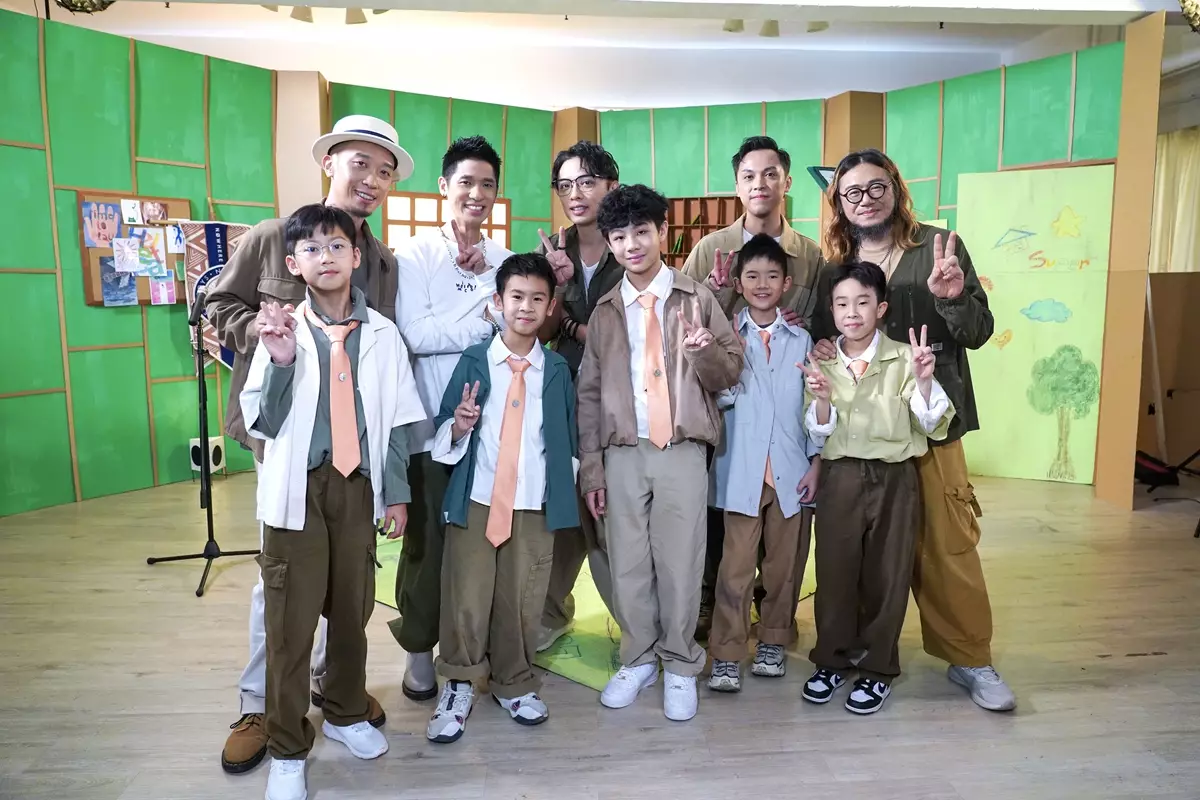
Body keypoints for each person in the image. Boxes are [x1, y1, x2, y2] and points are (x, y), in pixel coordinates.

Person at [205, 114, 413, 774]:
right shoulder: (275, 237)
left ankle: (335, 692)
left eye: (385, 171)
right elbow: (218, 305)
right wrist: (270, 339)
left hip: (355, 453)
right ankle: (261, 706)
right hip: (280, 428)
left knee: (348, 587)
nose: (371, 179)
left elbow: (378, 358)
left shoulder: (382, 262)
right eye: (360, 163)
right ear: (330, 163)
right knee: (283, 583)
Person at [809, 148, 1016, 713]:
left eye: (877, 186)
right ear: (839, 202)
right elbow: (825, 333)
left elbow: (978, 331)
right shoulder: (836, 264)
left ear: (896, 188)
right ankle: (856, 654)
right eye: (852, 192)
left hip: (932, 421)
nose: (866, 199)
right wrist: (822, 343)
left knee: (948, 545)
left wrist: (952, 299)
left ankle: (970, 658)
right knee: (861, 552)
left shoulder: (939, 247)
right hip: (863, 435)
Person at [240, 204, 426, 800]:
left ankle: (345, 711)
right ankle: (287, 746)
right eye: (312, 249)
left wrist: (396, 494)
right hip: (297, 490)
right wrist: (281, 360)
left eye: (337, 246)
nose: (327, 257)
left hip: (358, 486)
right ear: (293, 264)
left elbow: (396, 422)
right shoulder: (282, 330)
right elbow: (263, 423)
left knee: (352, 611)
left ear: (355, 256)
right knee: (291, 624)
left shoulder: (384, 334)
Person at [576, 184, 742, 722]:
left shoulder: (697, 298)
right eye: (619, 237)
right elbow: (589, 393)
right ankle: (639, 657)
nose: (632, 245)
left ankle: (680, 662)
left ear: (662, 232)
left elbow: (730, 372)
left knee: (681, 560)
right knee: (627, 560)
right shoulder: (606, 310)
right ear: (609, 243)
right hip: (622, 451)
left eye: (641, 232)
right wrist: (593, 467)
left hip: (682, 448)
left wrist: (705, 353)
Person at [424, 253, 578, 743]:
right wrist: (459, 425)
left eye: (537, 299)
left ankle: (514, 680)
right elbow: (444, 431)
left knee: (522, 595)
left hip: (532, 500)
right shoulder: (475, 360)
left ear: (550, 307)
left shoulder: (556, 370)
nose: (526, 307)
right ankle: (459, 683)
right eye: (516, 296)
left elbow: (567, 440)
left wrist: (563, 494)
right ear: (497, 301)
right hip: (477, 497)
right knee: (465, 593)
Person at [681, 135, 826, 639]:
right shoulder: (709, 249)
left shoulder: (810, 255)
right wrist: (721, 296)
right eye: (748, 176)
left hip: (786, 412)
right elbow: (684, 319)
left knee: (784, 533)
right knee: (724, 522)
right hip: (728, 411)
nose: (759, 184)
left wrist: (810, 335)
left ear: (786, 182)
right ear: (737, 185)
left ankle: (774, 622)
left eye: (770, 174)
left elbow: (823, 325)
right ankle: (716, 612)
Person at [800, 261, 954, 715]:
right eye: (842, 304)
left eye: (863, 302)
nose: (852, 313)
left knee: (888, 575)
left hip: (894, 479)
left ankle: (877, 668)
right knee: (834, 573)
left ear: (881, 308)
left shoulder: (907, 358)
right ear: (831, 310)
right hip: (840, 478)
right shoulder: (822, 361)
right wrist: (822, 400)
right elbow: (817, 432)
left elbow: (932, 423)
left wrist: (924, 381)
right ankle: (831, 660)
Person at [392, 136, 515, 702]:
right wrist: (486, 317)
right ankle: (419, 648)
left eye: (487, 184)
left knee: (480, 545)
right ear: (444, 186)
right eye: (466, 182)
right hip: (428, 427)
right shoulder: (415, 254)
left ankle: (469, 648)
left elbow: (519, 325)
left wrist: (490, 298)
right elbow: (416, 334)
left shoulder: (504, 261)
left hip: (490, 427)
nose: (477, 194)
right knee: (427, 547)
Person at [706, 234, 821, 693]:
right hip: (742, 470)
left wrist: (816, 461)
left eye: (772, 276)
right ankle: (727, 651)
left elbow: (813, 404)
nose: (762, 284)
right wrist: (728, 359)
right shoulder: (727, 336)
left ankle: (773, 640)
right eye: (752, 276)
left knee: (783, 567)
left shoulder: (802, 338)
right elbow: (717, 397)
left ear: (787, 283)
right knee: (734, 569)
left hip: (791, 471)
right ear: (738, 283)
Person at [534, 140, 623, 651]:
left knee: (611, 511)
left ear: (611, 186)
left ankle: (636, 621)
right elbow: (539, 331)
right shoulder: (552, 250)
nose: (576, 194)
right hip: (562, 395)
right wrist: (561, 295)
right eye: (565, 185)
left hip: (621, 401)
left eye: (587, 182)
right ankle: (551, 610)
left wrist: (580, 327)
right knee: (562, 509)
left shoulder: (629, 242)